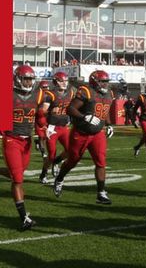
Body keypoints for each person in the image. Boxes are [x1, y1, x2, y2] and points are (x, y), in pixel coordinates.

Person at [0, 65, 39, 231]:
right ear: (18, 78)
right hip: (12, 139)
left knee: (18, 172)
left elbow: (40, 117)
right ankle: (24, 218)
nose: (29, 82)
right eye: (26, 79)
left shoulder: (37, 94)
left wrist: (42, 132)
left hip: (27, 141)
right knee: (18, 179)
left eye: (30, 79)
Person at [53, 70, 115, 205]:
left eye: (106, 81)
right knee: (73, 160)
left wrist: (109, 125)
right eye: (102, 81)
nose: (105, 84)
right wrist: (84, 116)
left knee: (101, 161)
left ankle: (101, 192)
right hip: (80, 132)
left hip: (97, 133)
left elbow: (106, 110)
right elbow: (70, 109)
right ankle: (60, 177)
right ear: (94, 81)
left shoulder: (109, 93)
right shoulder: (86, 91)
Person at [38, 72, 73, 184]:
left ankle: (56, 162)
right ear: (55, 81)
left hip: (64, 127)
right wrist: (49, 111)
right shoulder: (50, 94)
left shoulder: (70, 92)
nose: (64, 83)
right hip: (52, 128)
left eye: (65, 81)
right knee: (51, 154)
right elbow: (41, 112)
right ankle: (43, 173)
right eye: (61, 81)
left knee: (70, 151)